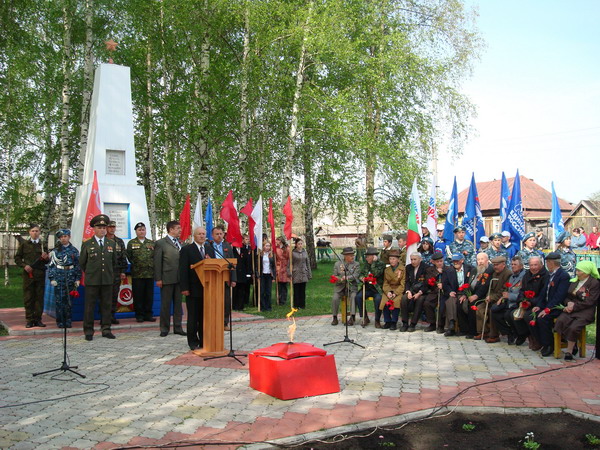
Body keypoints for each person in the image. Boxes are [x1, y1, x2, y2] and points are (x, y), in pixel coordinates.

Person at [79, 214, 117, 340]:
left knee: (106, 306)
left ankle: (106, 329)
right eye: (99, 228)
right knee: (89, 306)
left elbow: (114, 262)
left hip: (107, 280)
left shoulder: (111, 243)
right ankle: (88, 331)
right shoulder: (87, 244)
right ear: (94, 229)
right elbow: (82, 263)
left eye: (104, 228)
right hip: (92, 280)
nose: (102, 230)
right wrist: (91, 273)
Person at [553, 261, 600, 360]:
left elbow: (590, 301)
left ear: (586, 272)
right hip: (571, 309)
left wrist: (573, 306)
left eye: (579, 271)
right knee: (561, 321)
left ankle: (569, 352)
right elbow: (567, 296)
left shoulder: (594, 283)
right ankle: (572, 343)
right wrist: (568, 303)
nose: (577, 272)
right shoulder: (574, 281)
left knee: (574, 327)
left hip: (585, 310)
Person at [527, 252, 570, 357]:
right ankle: (541, 341)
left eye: (547, 263)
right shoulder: (549, 275)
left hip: (556, 307)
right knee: (530, 316)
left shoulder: (563, 276)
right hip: (546, 305)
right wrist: (539, 305)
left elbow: (559, 296)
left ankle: (549, 345)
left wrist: (547, 309)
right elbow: (543, 293)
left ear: (552, 263)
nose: (547, 265)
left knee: (543, 318)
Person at [179, 227, 215, 351]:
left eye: (203, 234)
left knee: (204, 317)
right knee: (193, 317)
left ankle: (204, 340)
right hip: (193, 289)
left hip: (208, 288)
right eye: (199, 234)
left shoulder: (210, 249)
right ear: (194, 236)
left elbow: (215, 267)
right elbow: (183, 270)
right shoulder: (186, 250)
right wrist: (184, 287)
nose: (201, 236)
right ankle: (193, 341)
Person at [509, 255, 549, 348]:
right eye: (531, 265)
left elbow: (543, 295)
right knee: (512, 314)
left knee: (528, 316)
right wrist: (521, 301)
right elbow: (522, 290)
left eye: (536, 265)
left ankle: (536, 339)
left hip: (538, 304)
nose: (533, 267)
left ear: (541, 265)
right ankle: (525, 334)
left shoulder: (545, 276)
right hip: (526, 302)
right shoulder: (527, 275)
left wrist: (531, 302)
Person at [154, 220, 185, 337]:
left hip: (179, 279)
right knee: (166, 305)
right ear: (171, 229)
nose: (180, 230)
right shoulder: (161, 243)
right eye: (178, 228)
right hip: (166, 278)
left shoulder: (180, 242)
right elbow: (157, 262)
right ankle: (164, 328)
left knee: (178, 305)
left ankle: (178, 327)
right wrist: (158, 279)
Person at [15, 223, 49, 328]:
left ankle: (38, 319)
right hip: (28, 275)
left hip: (40, 275)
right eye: (33, 231)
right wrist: (24, 266)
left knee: (39, 298)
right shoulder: (24, 244)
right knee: (28, 297)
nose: (35, 233)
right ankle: (29, 320)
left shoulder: (43, 245)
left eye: (37, 231)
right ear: (29, 232)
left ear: (39, 232)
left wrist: (46, 258)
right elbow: (17, 258)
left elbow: (47, 261)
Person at [47, 229, 81, 328]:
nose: (63, 238)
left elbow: (77, 265)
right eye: (61, 237)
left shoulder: (74, 250)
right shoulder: (55, 250)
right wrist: (52, 278)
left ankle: (68, 320)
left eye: (65, 236)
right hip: (59, 277)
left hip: (70, 276)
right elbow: (52, 265)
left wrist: (77, 279)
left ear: (69, 237)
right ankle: (60, 321)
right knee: (59, 300)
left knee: (69, 301)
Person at [491, 256, 526, 344]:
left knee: (508, 315)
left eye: (515, 264)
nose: (513, 266)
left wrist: (509, 296)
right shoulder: (512, 276)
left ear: (521, 266)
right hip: (508, 302)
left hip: (518, 303)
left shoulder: (524, 277)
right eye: (512, 264)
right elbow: (507, 289)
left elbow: (523, 294)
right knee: (494, 310)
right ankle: (508, 332)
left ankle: (520, 334)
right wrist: (502, 298)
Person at [477, 256, 512, 343]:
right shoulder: (494, 273)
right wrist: (488, 296)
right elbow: (490, 287)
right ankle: (483, 331)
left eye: (497, 265)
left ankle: (494, 335)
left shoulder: (508, 274)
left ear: (503, 265)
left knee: (493, 310)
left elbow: (504, 289)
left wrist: (492, 298)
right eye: (494, 265)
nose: (495, 267)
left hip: (501, 299)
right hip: (491, 298)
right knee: (479, 308)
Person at [126, 222, 156, 322]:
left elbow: (154, 256)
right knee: (138, 296)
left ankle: (148, 314)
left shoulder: (151, 243)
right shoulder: (131, 243)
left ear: (146, 231)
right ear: (136, 231)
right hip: (137, 274)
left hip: (149, 274)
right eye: (139, 230)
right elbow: (129, 256)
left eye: (143, 229)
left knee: (149, 296)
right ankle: (139, 315)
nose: (141, 231)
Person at [462, 252, 494, 339]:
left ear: (487, 260)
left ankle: (473, 331)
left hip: (483, 296)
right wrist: (465, 294)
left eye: (482, 259)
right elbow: (468, 283)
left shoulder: (489, 270)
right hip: (471, 295)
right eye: (478, 260)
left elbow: (484, 286)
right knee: (459, 303)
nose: (480, 262)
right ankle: (463, 329)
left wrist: (476, 296)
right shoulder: (474, 270)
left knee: (473, 305)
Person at [210, 225, 237, 328]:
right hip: (212, 277)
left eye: (221, 234)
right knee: (213, 301)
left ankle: (225, 322)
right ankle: (213, 322)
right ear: (212, 235)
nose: (219, 236)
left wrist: (233, 279)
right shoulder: (208, 246)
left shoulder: (227, 246)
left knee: (226, 302)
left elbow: (232, 263)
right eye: (217, 234)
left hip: (225, 278)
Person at [441, 253, 474, 336]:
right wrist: (449, 291)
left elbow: (472, 283)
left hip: (466, 292)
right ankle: (451, 324)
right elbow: (445, 284)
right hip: (454, 292)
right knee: (450, 301)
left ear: (462, 261)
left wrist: (465, 294)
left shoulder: (470, 269)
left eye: (457, 261)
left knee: (461, 304)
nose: (455, 263)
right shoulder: (448, 271)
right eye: (454, 261)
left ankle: (464, 329)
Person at [356, 246, 386, 327]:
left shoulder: (381, 264)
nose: (366, 258)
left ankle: (377, 320)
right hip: (367, 287)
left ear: (374, 257)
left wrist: (374, 263)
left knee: (378, 299)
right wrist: (361, 278)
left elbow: (375, 274)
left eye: (368, 256)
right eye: (366, 256)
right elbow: (361, 274)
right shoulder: (366, 264)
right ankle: (365, 317)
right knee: (358, 297)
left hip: (377, 289)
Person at [331, 247, 360, 325]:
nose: (353, 257)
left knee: (354, 297)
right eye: (350, 255)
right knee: (335, 298)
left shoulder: (356, 264)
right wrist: (340, 279)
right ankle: (334, 317)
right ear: (345, 256)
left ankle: (352, 317)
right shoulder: (337, 264)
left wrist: (347, 277)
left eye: (353, 255)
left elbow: (356, 275)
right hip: (340, 287)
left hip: (351, 287)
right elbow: (334, 275)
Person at [106, 220, 127, 324]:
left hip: (116, 272)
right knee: (105, 296)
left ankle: (112, 316)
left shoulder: (119, 241)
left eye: (113, 227)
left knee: (114, 295)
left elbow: (123, 257)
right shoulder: (103, 240)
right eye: (110, 227)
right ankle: (104, 318)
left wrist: (123, 271)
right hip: (105, 272)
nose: (112, 229)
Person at [400, 253, 427, 332]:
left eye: (415, 259)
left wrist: (419, 293)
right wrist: (408, 291)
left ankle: (413, 324)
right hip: (411, 290)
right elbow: (407, 281)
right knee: (404, 299)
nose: (413, 261)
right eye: (411, 259)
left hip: (422, 291)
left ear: (420, 259)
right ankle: (405, 323)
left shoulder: (425, 267)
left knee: (420, 300)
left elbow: (426, 284)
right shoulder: (408, 267)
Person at [422, 252, 446, 332]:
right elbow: (427, 282)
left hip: (444, 292)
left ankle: (440, 325)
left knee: (442, 305)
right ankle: (432, 323)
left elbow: (451, 281)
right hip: (434, 291)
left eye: (441, 261)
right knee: (427, 303)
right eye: (437, 262)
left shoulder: (448, 268)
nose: (439, 263)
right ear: (434, 262)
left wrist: (443, 285)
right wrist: (436, 273)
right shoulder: (429, 270)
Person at [382, 249, 405, 330]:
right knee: (385, 300)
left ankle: (394, 322)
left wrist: (395, 293)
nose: (392, 261)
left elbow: (403, 284)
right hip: (389, 289)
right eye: (390, 259)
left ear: (398, 259)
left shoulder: (403, 269)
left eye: (394, 259)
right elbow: (385, 283)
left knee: (396, 301)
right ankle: (387, 321)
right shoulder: (387, 270)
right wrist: (388, 292)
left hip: (398, 289)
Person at [233, 234, 253, 310]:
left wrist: (248, 273)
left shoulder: (244, 250)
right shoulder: (232, 250)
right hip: (235, 273)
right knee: (235, 290)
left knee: (242, 290)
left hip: (243, 273)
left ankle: (241, 305)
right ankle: (234, 305)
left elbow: (247, 262)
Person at [291, 238, 311, 308]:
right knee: (296, 290)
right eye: (298, 244)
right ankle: (296, 305)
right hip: (296, 273)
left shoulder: (304, 252)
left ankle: (302, 305)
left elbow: (307, 263)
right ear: (296, 245)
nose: (300, 245)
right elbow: (290, 264)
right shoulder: (293, 253)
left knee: (302, 290)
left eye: (301, 244)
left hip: (303, 273)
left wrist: (309, 273)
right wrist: (289, 272)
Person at [258, 241, 275, 311]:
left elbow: (273, 266)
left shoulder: (271, 255)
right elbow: (258, 266)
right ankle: (262, 306)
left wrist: (273, 276)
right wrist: (257, 275)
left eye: (269, 246)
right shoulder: (260, 255)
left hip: (269, 274)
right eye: (266, 246)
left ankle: (268, 306)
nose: (267, 247)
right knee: (262, 291)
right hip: (262, 274)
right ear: (263, 246)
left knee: (268, 291)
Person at [275, 236, 290, 306]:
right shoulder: (276, 248)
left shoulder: (287, 248)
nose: (276, 242)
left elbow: (289, 257)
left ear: (280, 241)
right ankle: (279, 299)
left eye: (277, 240)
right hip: (278, 267)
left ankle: (283, 299)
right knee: (279, 285)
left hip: (285, 267)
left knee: (284, 285)